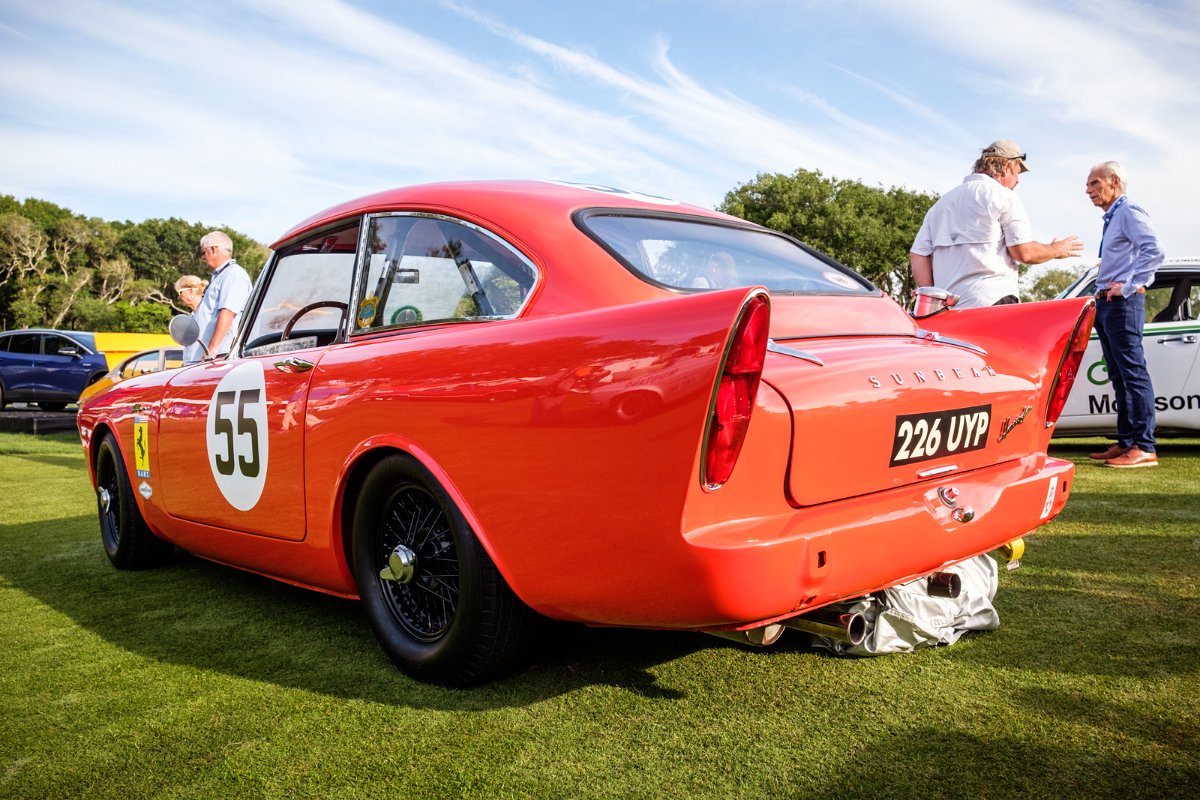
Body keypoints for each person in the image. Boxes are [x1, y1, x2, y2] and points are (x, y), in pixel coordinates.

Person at [910, 139, 1084, 308]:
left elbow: (918, 254)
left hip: (948, 311)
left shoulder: (941, 204)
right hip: (993, 301)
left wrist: (936, 299)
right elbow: (1024, 253)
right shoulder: (1004, 196)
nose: (1018, 180)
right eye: (1017, 172)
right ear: (1007, 167)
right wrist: (1056, 250)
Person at [1085, 161, 1164, 468]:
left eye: (1094, 183)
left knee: (1133, 373)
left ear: (1114, 182)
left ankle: (1144, 446)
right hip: (1107, 304)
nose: (1088, 190)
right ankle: (1127, 442)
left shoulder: (1129, 211)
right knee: (1118, 375)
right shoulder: (1113, 217)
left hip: (1123, 304)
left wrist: (1130, 286)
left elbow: (1154, 250)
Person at [193, 231, 252, 362]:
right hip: (213, 356)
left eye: (203, 252)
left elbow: (228, 312)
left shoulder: (233, 274)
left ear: (213, 249)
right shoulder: (222, 276)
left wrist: (212, 349)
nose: (203, 258)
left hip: (220, 355)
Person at [173, 274, 210, 364]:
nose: (179, 297)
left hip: (202, 364)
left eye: (180, 292)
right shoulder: (195, 314)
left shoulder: (206, 313)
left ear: (190, 291)